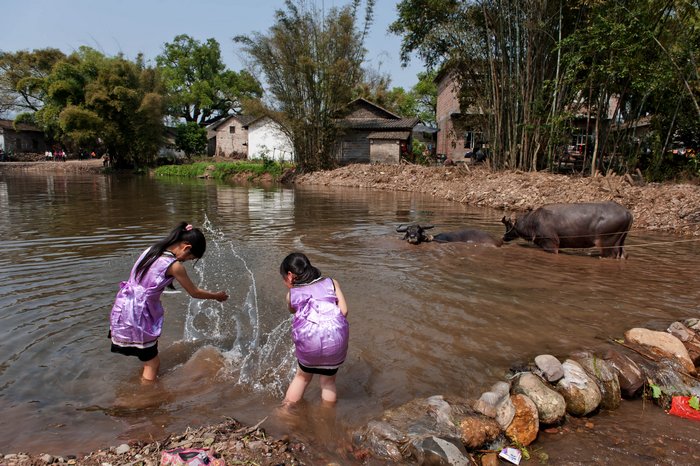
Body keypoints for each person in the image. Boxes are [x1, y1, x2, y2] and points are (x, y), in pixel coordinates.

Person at [109, 222, 228, 381]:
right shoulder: (174, 266)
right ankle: (146, 399)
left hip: (124, 305)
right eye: (189, 258)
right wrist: (216, 296)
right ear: (186, 247)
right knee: (153, 363)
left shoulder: (151, 251)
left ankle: (144, 388)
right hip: (138, 313)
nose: (186, 261)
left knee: (146, 356)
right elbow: (194, 292)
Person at [280, 252, 349, 404]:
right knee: (328, 382)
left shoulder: (291, 294)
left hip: (309, 341)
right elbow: (344, 311)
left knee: (302, 377)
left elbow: (293, 310)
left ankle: (286, 411)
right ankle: (327, 417)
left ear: (290, 275)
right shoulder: (332, 283)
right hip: (335, 340)